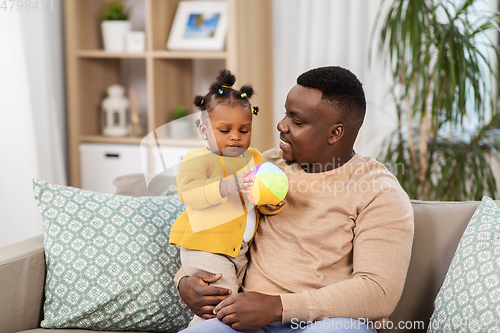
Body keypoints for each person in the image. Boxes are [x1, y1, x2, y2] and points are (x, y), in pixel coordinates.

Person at [176, 66, 414, 332]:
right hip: (244, 321)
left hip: (324, 323)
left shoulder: (378, 191)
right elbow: (209, 228)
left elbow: (378, 292)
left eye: (297, 121)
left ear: (335, 133)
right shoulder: (261, 165)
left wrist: (277, 308)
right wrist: (185, 282)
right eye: (285, 113)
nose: (281, 126)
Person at [169, 69, 285, 326]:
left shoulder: (254, 158)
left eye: (244, 130)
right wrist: (225, 187)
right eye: (225, 130)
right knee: (222, 303)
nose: (236, 136)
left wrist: (271, 205)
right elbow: (189, 192)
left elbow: (257, 197)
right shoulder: (198, 159)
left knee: (230, 301)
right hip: (206, 245)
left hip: (240, 251)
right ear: (203, 130)